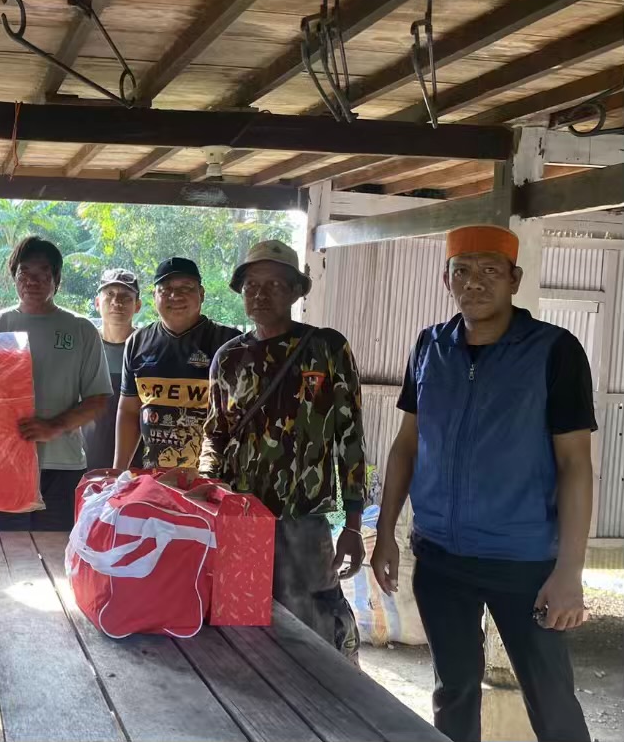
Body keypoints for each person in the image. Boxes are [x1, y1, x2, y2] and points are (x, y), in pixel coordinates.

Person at [371, 225, 594, 742]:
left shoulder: (554, 351)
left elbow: (575, 464)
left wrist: (569, 571)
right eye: (462, 271)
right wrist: (385, 533)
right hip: (440, 559)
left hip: (523, 562)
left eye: (491, 270)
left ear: (514, 279)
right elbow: (406, 446)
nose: (475, 282)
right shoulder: (429, 346)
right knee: (453, 693)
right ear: (446, 279)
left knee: (552, 701)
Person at [199, 239, 365, 662]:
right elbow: (214, 434)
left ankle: (324, 700)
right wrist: (207, 493)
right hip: (239, 518)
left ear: (295, 291)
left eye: (274, 284)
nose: (260, 294)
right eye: (251, 285)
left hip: (303, 520)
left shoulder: (325, 348)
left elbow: (350, 437)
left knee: (313, 634)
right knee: (241, 628)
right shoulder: (229, 357)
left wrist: (353, 523)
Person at [0, 236, 113, 530]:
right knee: (10, 548)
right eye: (24, 272)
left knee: (56, 546)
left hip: (62, 465)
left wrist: (54, 427)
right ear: (14, 277)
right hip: (6, 463)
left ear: (57, 279)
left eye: (43, 273)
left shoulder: (81, 329)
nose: (32, 281)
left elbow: (98, 399)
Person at [114, 258, 238, 470]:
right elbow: (129, 411)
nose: (176, 296)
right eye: (166, 289)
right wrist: (118, 472)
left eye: (186, 288)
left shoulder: (229, 343)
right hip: (155, 475)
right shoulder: (137, 342)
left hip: (214, 477)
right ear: (154, 296)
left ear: (202, 294)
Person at [83, 269, 141, 469]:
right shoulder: (84, 346)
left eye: (126, 297)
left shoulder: (148, 347)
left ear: (138, 305)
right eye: (110, 294)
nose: (117, 302)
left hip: (136, 459)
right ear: (97, 303)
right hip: (87, 457)